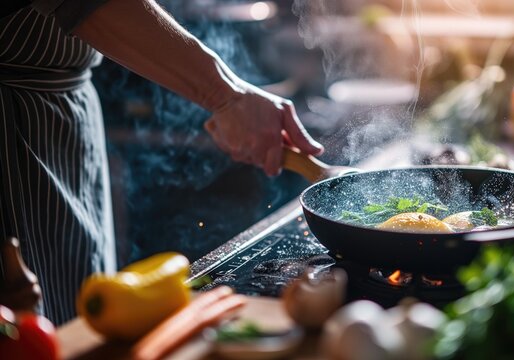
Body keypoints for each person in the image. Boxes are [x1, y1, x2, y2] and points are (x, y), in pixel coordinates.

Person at [0, 0, 324, 325]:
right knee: (31, 321)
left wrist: (230, 94)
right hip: (13, 127)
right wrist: (227, 95)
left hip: (66, 114)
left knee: (84, 312)